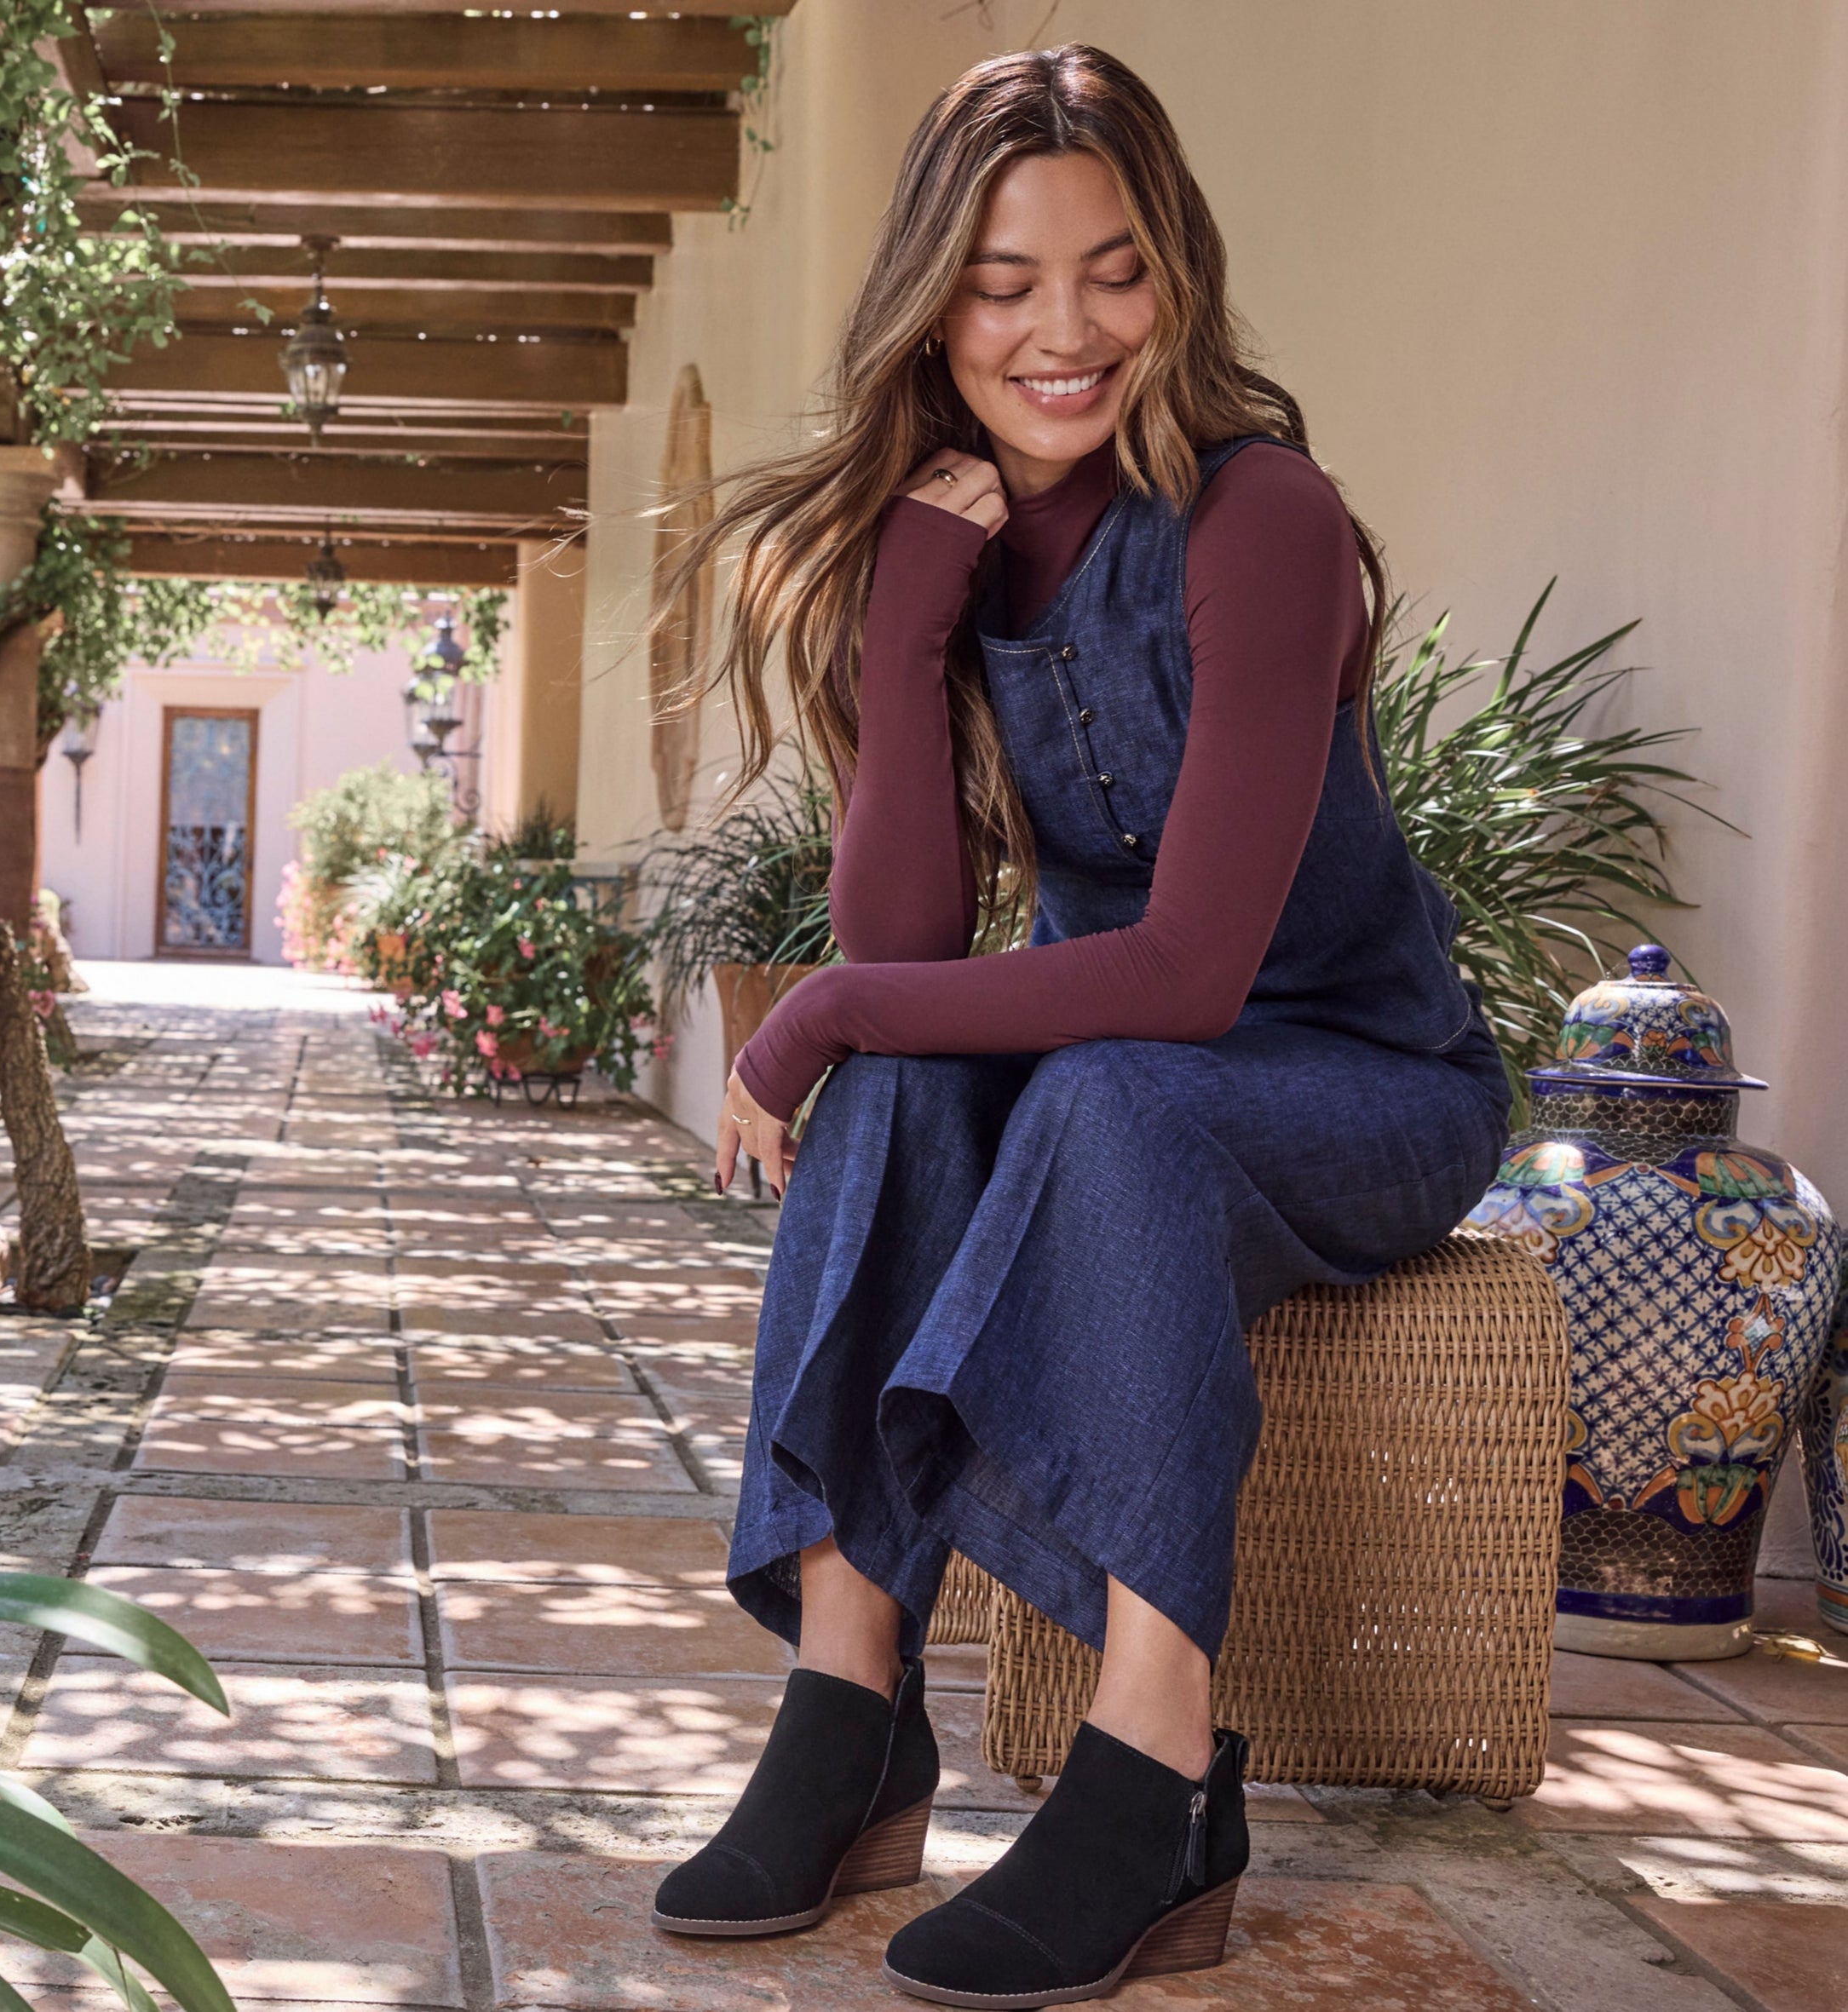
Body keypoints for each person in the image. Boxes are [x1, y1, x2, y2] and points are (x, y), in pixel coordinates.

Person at [646, 43, 1511, 2009]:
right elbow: (910, 931)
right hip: (1136, 1067)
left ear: (1175, 277)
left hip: (1358, 1085)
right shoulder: (957, 529)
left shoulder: (1259, 517)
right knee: (897, 1094)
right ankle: (845, 1706)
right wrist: (900, 621)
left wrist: (831, 1003)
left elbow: (1189, 974)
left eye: (1110, 272)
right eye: (1000, 280)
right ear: (929, 303)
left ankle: (1153, 1761)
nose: (1061, 330)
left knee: (1102, 1088)